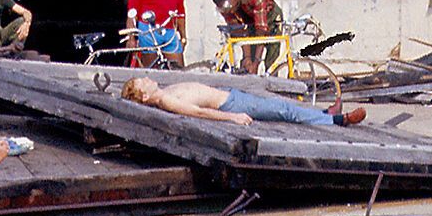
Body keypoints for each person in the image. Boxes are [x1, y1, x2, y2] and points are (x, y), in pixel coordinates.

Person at [120, 75, 363, 127]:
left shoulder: (164, 90)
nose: (147, 77)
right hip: (229, 105)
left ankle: (323, 114)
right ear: (144, 96)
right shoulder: (167, 100)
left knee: (282, 109)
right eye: (143, 81)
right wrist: (232, 117)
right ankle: (337, 120)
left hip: (227, 95)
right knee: (282, 109)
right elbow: (198, 113)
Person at [212, 0, 286, 75]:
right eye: (222, 8)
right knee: (246, 64)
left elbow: (261, 35)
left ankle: (272, 85)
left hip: (270, 17)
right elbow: (240, 33)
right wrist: (248, 59)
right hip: (251, 20)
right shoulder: (226, 9)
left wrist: (256, 63)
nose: (227, 11)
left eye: (226, 6)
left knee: (271, 59)